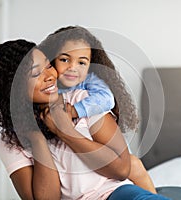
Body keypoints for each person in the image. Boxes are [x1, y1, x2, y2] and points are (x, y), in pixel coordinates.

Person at [0, 39, 169, 200]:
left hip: (116, 194)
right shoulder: (11, 142)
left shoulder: (83, 101)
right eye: (36, 73)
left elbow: (121, 169)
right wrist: (37, 139)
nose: (50, 76)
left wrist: (64, 130)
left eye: (48, 66)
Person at [39, 25, 156, 193]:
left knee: (135, 165)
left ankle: (154, 194)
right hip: (79, 166)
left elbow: (106, 99)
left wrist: (75, 110)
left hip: (109, 149)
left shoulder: (89, 81)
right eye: (64, 60)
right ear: (51, 60)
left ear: (90, 65)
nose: (73, 67)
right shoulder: (48, 85)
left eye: (81, 62)